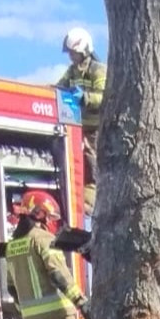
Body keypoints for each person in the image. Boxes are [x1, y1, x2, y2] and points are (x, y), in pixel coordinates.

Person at [3, 190, 88, 319]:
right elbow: (59, 275)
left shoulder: (12, 246)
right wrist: (82, 303)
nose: (52, 223)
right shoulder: (44, 239)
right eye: (50, 218)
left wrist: (26, 313)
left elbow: (12, 287)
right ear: (40, 215)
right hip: (56, 316)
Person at [57, 27, 106, 215]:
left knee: (93, 165)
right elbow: (60, 86)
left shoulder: (98, 70)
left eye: (73, 53)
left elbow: (105, 97)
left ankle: (93, 200)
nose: (71, 56)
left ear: (83, 50)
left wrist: (85, 97)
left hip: (95, 128)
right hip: (78, 127)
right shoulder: (72, 71)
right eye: (69, 53)